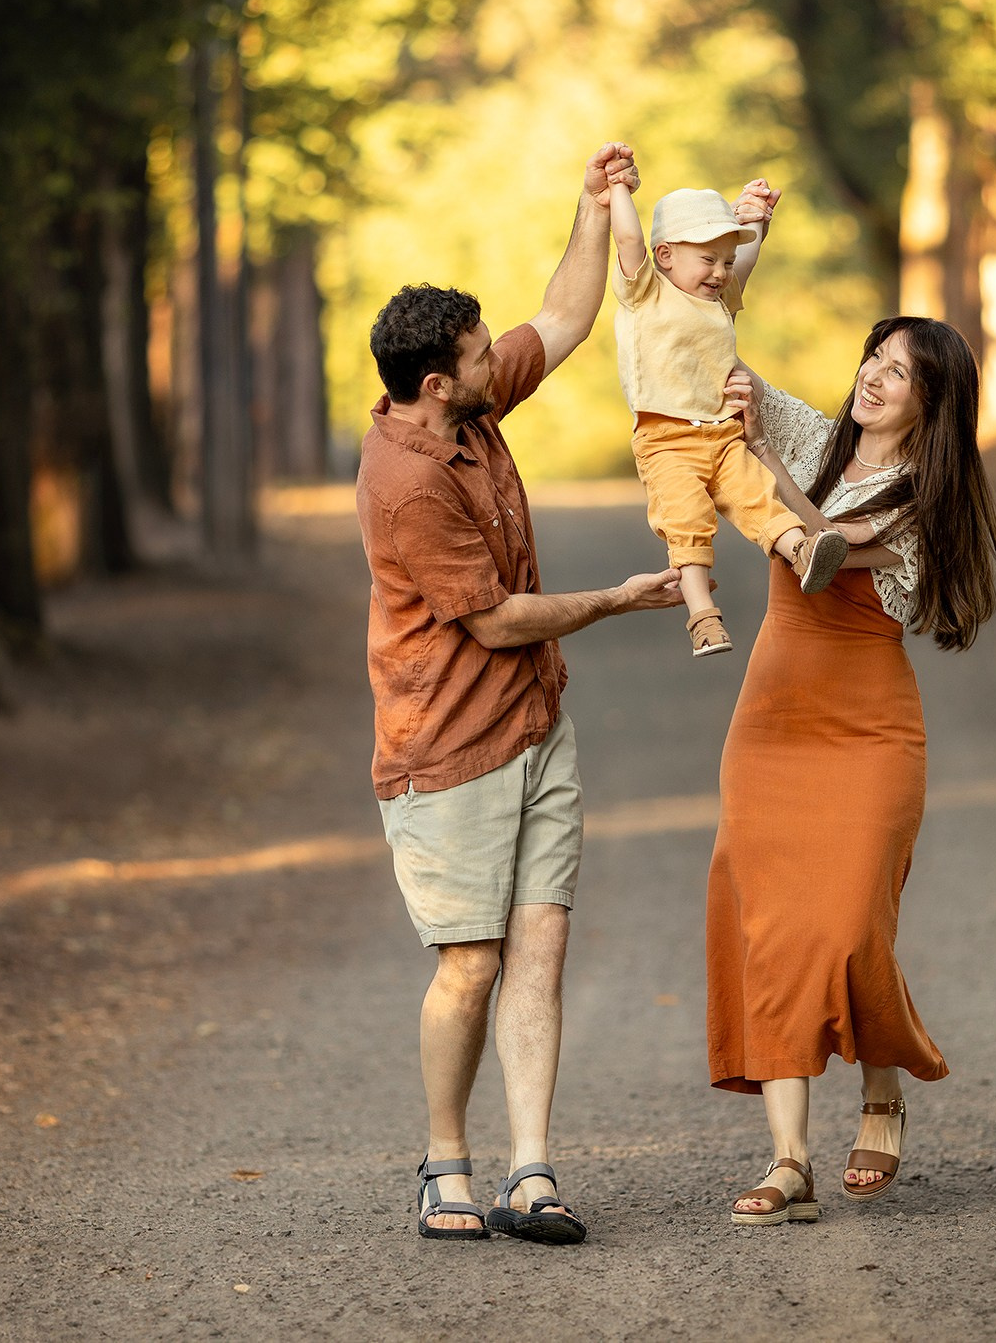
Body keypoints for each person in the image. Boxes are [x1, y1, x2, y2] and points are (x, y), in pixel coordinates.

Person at [356, 143, 688, 1246]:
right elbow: (495, 621)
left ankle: (531, 1170)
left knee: (539, 949)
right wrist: (618, 599)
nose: (494, 356)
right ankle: (444, 1162)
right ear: (435, 384)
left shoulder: (470, 405)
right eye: (475, 352)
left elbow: (566, 314)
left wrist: (592, 207)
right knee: (471, 962)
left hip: (536, 728)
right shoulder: (406, 483)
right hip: (447, 749)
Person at [705, 313, 996, 1225]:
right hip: (772, 720)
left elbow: (823, 551)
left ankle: (884, 1090)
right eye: (873, 359)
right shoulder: (817, 436)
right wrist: (722, 269)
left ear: (932, 403)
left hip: (869, 729)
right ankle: (789, 1159)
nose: (873, 377)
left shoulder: (927, 500)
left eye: (899, 372)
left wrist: (764, 456)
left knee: (847, 926)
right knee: (772, 925)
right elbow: (714, 349)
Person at [605, 174, 851, 657]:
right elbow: (629, 239)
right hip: (666, 439)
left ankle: (802, 552)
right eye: (708, 259)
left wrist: (756, 214)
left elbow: (747, 255)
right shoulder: (646, 293)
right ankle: (703, 617)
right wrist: (618, 188)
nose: (719, 272)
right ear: (666, 255)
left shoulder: (718, 301)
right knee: (687, 519)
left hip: (722, 434)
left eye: (725, 262)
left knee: (759, 496)